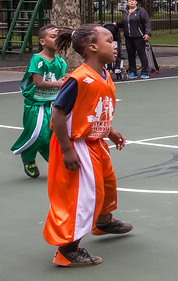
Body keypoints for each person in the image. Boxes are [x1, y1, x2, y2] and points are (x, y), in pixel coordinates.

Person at [44, 24, 132, 267]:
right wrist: (66, 150)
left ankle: (103, 222)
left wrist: (108, 130)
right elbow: (58, 113)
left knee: (107, 184)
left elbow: (91, 110)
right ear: (92, 47)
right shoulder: (79, 78)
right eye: (109, 40)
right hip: (76, 143)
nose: (114, 45)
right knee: (83, 197)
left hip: (95, 141)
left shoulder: (104, 74)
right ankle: (67, 249)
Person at [10, 24, 67, 178]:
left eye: (58, 37)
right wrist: (59, 83)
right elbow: (38, 83)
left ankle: (57, 163)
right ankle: (28, 157)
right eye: (53, 37)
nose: (56, 40)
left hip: (50, 104)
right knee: (38, 134)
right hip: (35, 105)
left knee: (52, 135)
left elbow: (60, 81)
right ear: (42, 41)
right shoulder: (37, 60)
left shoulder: (60, 62)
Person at [119, 0, 151, 78]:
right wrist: (116, 24)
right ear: (127, 3)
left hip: (139, 37)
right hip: (128, 37)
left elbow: (147, 22)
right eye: (130, 1)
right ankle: (132, 71)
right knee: (130, 54)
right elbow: (125, 23)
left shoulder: (141, 11)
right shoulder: (126, 12)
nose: (132, 2)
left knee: (141, 54)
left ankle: (145, 72)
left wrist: (147, 33)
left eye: (133, 0)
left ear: (136, 2)